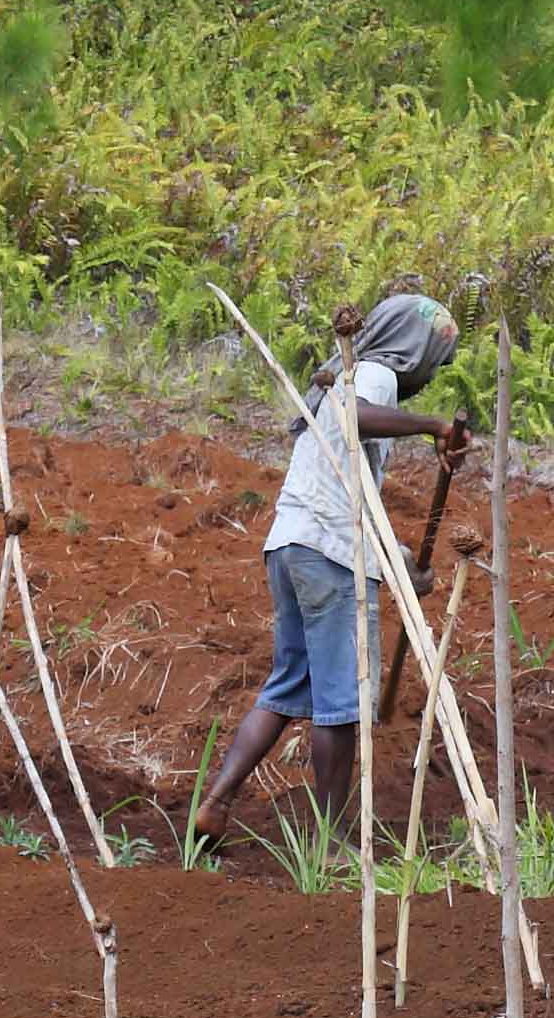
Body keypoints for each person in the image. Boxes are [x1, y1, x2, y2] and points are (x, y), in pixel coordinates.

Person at [182, 293, 469, 860]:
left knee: (290, 687)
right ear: (416, 352)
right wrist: (434, 424)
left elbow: (350, 497)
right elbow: (356, 418)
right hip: (330, 558)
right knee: (342, 703)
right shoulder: (376, 377)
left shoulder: (340, 374)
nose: (431, 375)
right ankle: (334, 846)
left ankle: (215, 802)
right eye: (435, 360)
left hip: (290, 546)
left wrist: (403, 565)